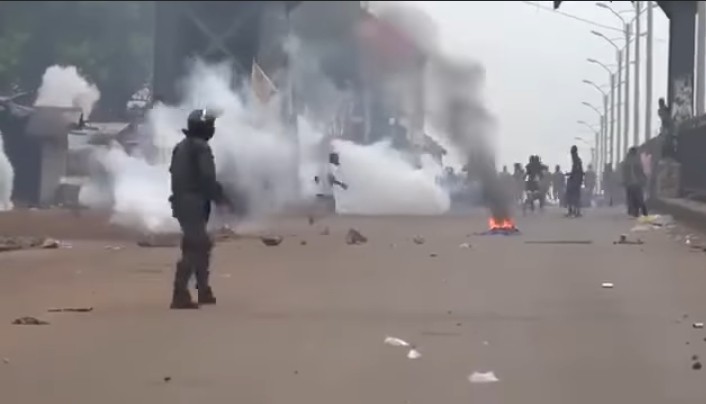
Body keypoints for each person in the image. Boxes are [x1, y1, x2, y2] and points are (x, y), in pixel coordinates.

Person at [168, 109, 230, 309]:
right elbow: (207, 178)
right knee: (196, 247)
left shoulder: (181, 147)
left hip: (181, 202)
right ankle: (180, 293)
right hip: (193, 203)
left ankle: (203, 289)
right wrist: (221, 198)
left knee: (199, 245)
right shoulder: (201, 148)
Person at [622, 146, 648, 217]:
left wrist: (624, 182)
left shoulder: (626, 161)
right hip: (637, 183)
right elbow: (640, 171)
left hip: (629, 184)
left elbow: (624, 173)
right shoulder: (637, 160)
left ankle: (633, 212)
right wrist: (644, 179)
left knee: (631, 199)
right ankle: (644, 212)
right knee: (639, 198)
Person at [566, 146, 584, 217]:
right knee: (575, 196)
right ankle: (575, 211)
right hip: (576, 181)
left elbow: (576, 171)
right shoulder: (577, 160)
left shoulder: (576, 160)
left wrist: (570, 175)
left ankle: (574, 211)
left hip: (575, 181)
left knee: (571, 196)